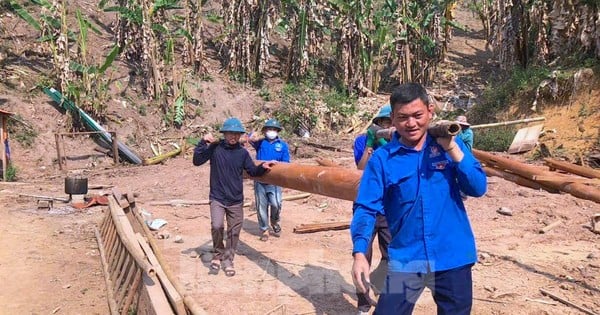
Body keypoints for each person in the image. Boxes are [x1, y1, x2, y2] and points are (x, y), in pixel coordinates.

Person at [350, 83, 487, 314]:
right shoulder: (383, 160)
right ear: (392, 118)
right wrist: (360, 253)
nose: (411, 124)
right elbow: (365, 208)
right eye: (403, 117)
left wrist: (452, 148)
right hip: (407, 256)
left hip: (452, 254)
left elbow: (477, 187)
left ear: (430, 111)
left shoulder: (450, 145)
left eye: (417, 115)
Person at [193, 117, 276, 277]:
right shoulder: (215, 149)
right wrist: (202, 142)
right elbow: (197, 161)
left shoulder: (242, 153)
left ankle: (228, 259)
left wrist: (263, 168)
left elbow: (252, 171)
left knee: (234, 231)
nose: (234, 137)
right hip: (217, 197)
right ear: (224, 134)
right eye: (230, 133)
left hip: (236, 200)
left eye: (237, 134)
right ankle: (218, 254)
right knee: (217, 226)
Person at [352, 105, 393, 315]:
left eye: (389, 122)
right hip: (367, 206)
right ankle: (363, 304)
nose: (386, 126)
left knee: (391, 255)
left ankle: (376, 285)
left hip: (390, 209)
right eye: (383, 123)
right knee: (363, 256)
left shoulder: (398, 141)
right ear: (377, 124)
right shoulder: (362, 140)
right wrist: (369, 147)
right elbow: (360, 167)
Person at [248, 118, 290, 241]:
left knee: (276, 204)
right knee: (261, 206)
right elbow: (249, 138)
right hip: (260, 178)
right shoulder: (260, 143)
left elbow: (286, 162)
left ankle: (275, 221)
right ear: (265, 131)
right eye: (269, 129)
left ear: (277, 131)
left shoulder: (282, 145)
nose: (271, 131)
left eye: (274, 129)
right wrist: (253, 135)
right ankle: (264, 229)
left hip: (275, 180)